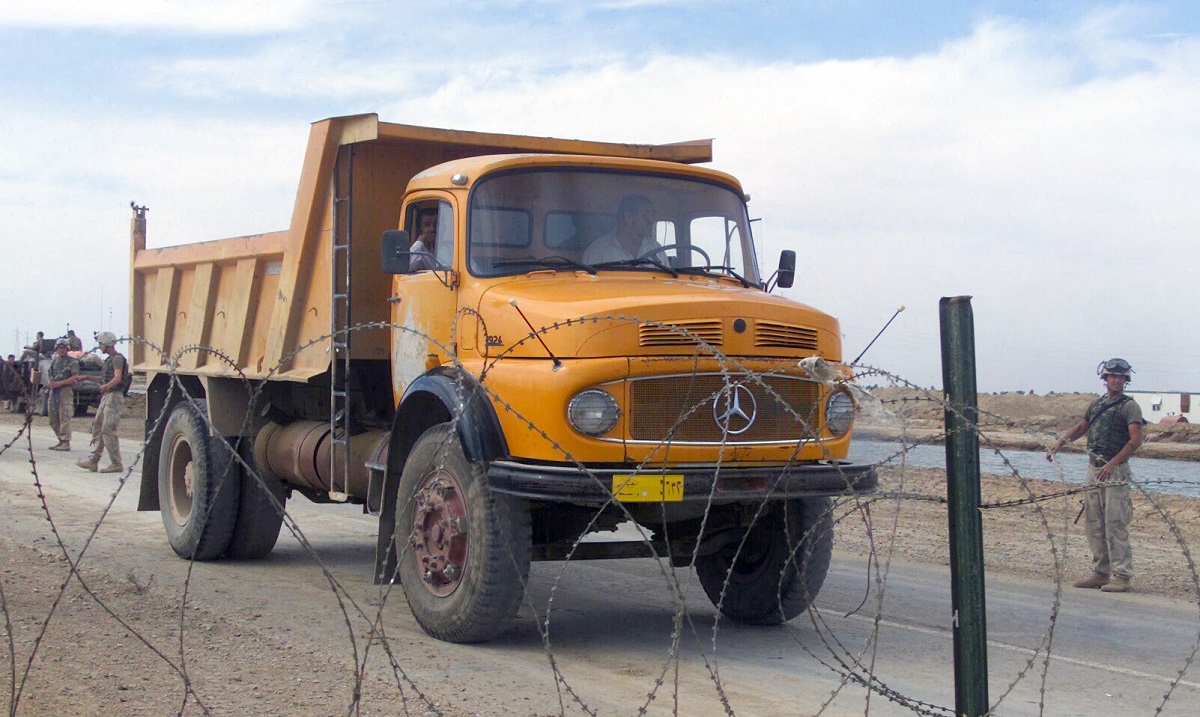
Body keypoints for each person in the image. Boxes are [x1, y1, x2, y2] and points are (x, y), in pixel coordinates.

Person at [1046, 358, 1144, 593]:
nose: (1118, 381)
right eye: (1113, 377)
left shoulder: (1130, 406)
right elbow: (1082, 426)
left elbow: (1135, 440)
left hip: (1116, 471)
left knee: (1115, 522)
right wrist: (1060, 443)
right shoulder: (1097, 404)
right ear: (1106, 379)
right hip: (1094, 468)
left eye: (1121, 377)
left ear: (1126, 380)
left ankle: (1122, 575)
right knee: (1094, 522)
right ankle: (1100, 572)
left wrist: (1113, 463)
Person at [75, 332, 129, 474]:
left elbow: (117, 377)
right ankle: (93, 460)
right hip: (107, 396)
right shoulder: (109, 360)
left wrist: (106, 386)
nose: (100, 347)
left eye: (101, 344)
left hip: (114, 396)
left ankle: (116, 463)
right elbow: (103, 378)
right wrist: (87, 377)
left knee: (108, 429)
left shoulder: (117, 359)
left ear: (106, 343)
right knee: (98, 427)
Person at [581, 194, 661, 264]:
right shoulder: (597, 251)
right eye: (644, 215)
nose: (651, 221)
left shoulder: (657, 249)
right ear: (628, 217)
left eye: (652, 215)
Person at [46, 338, 80, 451]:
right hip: (54, 391)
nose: (61, 350)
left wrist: (59, 383)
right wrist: (51, 382)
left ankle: (65, 442)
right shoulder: (55, 361)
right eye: (59, 348)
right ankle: (60, 440)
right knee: (53, 417)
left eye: (64, 348)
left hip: (65, 391)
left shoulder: (72, 362)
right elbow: (50, 374)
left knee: (65, 416)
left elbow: (74, 378)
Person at [409, 207, 440, 272]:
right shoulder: (419, 251)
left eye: (436, 224)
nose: (432, 229)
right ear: (419, 229)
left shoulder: (449, 248)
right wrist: (419, 242)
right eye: (427, 225)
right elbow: (407, 267)